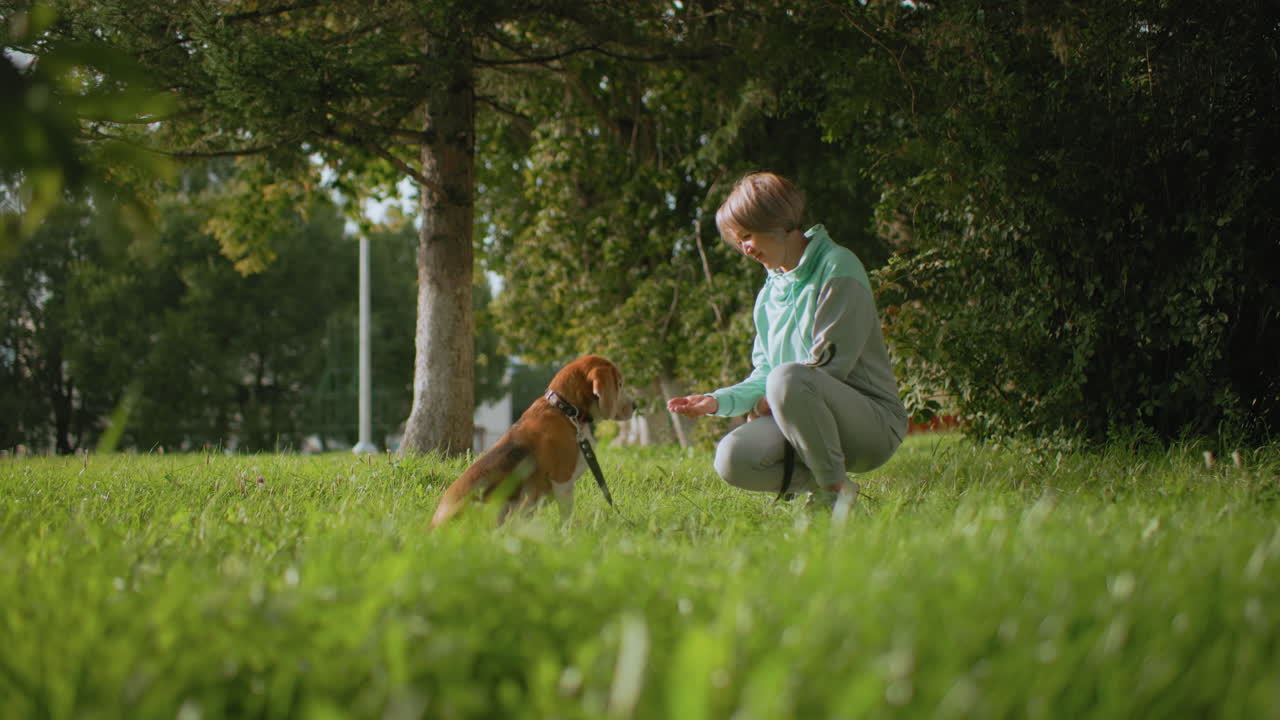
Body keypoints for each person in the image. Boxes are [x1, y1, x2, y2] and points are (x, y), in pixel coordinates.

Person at [666, 171, 908, 518]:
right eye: (738, 240)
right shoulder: (768, 295)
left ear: (777, 222)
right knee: (732, 458)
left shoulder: (838, 267)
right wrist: (716, 401)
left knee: (786, 380)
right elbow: (765, 373)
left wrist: (772, 398)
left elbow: (828, 368)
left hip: (872, 424)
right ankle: (836, 483)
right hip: (801, 415)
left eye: (748, 235)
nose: (745, 248)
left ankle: (831, 493)